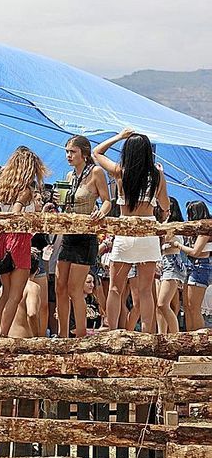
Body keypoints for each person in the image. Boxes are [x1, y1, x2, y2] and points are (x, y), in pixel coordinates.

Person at [93, 129, 169, 331]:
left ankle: (111, 330)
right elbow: (164, 205)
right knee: (145, 290)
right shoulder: (157, 175)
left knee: (116, 288)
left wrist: (119, 137)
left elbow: (96, 153)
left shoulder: (120, 171)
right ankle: (146, 334)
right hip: (147, 231)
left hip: (125, 230)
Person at [56, 135, 111, 338]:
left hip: (86, 235)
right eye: (67, 151)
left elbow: (107, 200)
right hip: (69, 233)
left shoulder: (96, 172)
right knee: (60, 287)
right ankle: (62, 335)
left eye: (72, 151)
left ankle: (79, 335)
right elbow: (67, 205)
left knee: (74, 289)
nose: (68, 155)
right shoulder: (70, 177)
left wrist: (101, 212)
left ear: (84, 154)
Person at [0, 146, 49, 337]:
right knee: (15, 296)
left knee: (6, 292)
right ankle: (2, 336)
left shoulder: (4, 187)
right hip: (20, 239)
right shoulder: (25, 191)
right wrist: (23, 203)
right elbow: (17, 216)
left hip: (3, 239)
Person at [171, 201, 212, 331]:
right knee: (188, 307)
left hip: (200, 266)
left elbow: (195, 252)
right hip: (190, 265)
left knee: (194, 307)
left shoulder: (205, 231)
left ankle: (198, 337)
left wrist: (178, 246)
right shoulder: (194, 232)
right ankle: (190, 336)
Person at [156, 197, 186, 333]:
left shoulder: (175, 225)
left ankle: (174, 336)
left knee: (163, 304)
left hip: (172, 262)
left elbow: (171, 243)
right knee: (160, 306)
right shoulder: (163, 223)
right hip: (163, 263)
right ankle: (162, 335)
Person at [5, 254, 43, 338]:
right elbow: (32, 313)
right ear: (37, 270)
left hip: (5, 338)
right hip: (24, 339)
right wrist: (37, 336)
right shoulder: (32, 287)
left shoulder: (5, 288)